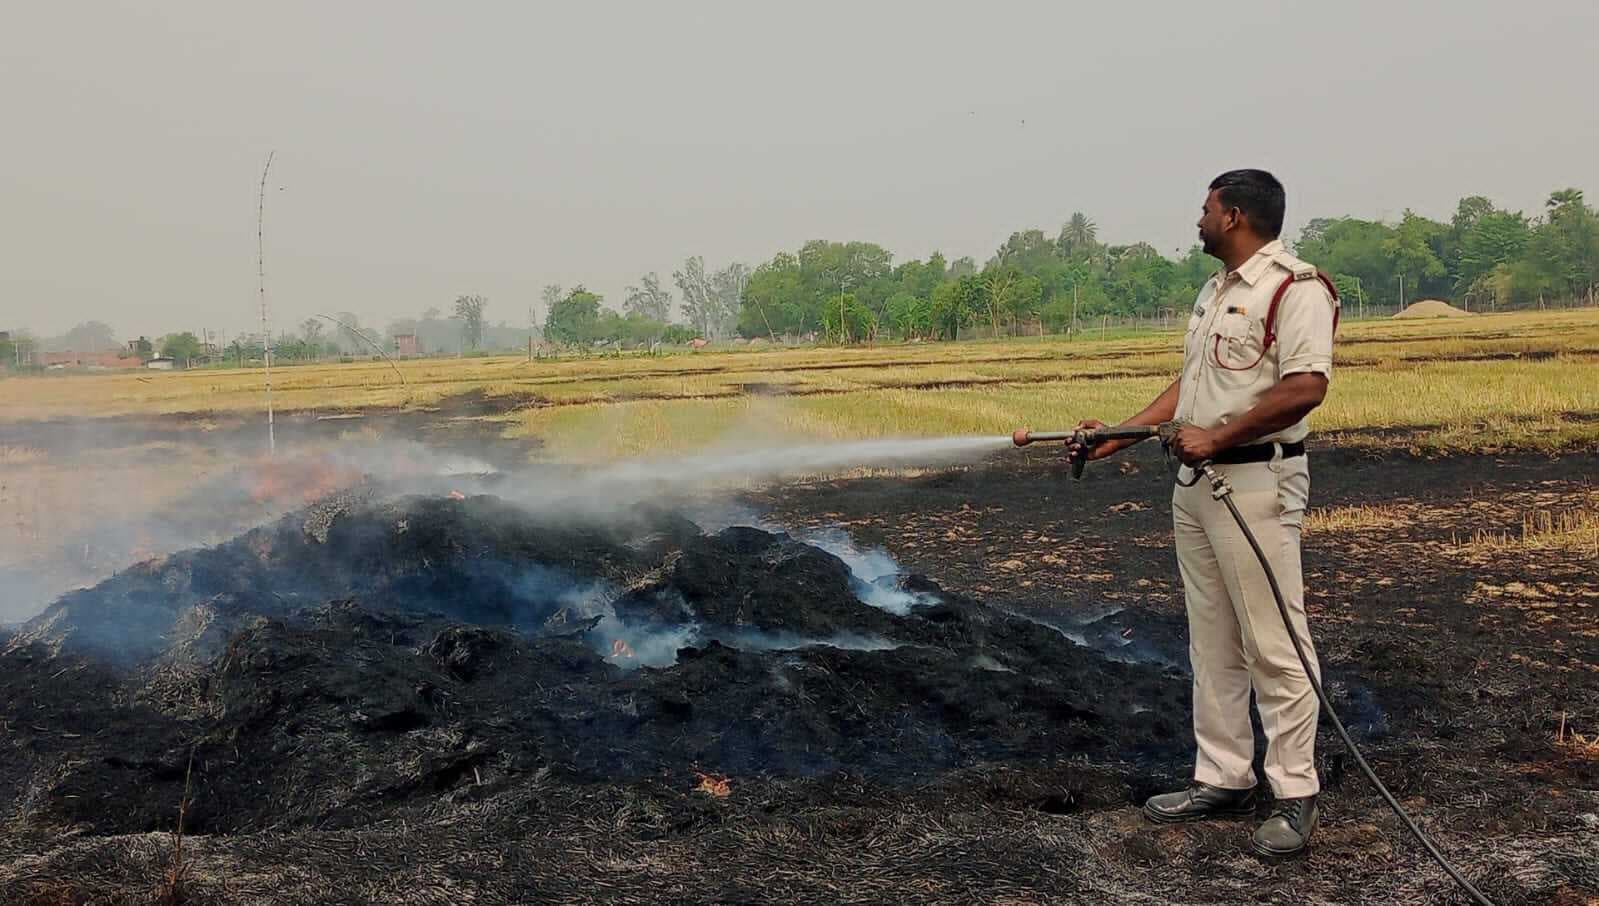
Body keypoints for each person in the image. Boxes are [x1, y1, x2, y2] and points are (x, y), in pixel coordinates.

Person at [1069, 169, 1338, 858]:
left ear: (1235, 215)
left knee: (1274, 644)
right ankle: (1222, 777)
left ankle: (1294, 795)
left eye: (1205, 208)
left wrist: (1218, 438)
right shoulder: (1216, 290)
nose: (1198, 218)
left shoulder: (1295, 289)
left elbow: (1304, 388)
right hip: (1196, 486)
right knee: (1212, 639)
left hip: (1253, 484)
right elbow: (1191, 387)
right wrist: (1120, 435)